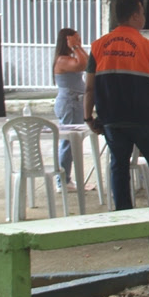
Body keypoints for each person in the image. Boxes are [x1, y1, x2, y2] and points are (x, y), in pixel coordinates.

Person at [83, 0, 149, 210]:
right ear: (135, 15)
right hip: (145, 119)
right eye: (142, 13)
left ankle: (125, 215)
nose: (144, 17)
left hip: (112, 119)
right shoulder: (148, 47)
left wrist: (88, 117)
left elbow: (89, 87)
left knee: (119, 167)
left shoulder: (98, 46)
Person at [53, 27, 88, 191]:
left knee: (74, 142)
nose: (79, 42)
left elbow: (88, 62)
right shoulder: (62, 60)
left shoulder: (70, 56)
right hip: (70, 102)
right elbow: (82, 65)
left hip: (76, 101)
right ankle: (62, 180)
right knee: (68, 142)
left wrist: (77, 47)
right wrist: (75, 47)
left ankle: (67, 178)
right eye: (75, 39)